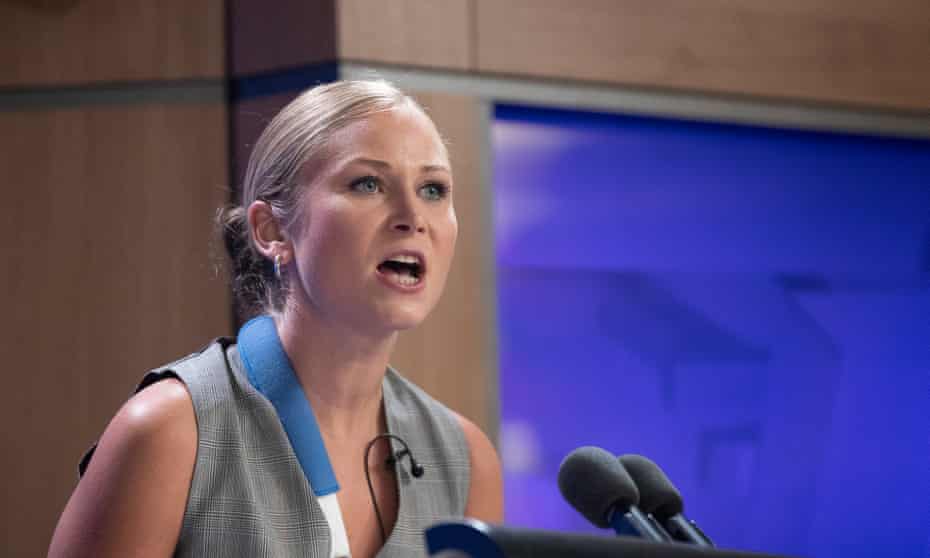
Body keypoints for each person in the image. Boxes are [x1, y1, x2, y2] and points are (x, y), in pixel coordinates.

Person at [48, 80, 503, 558]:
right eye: (367, 183)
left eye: (433, 189)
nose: (413, 216)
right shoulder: (168, 431)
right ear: (271, 230)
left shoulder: (464, 459)